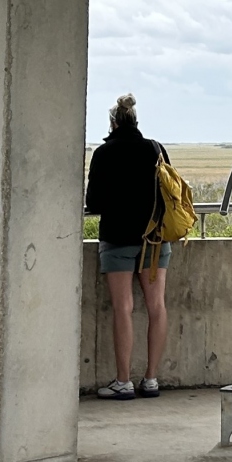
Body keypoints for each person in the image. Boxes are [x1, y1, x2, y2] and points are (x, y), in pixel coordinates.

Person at [85, 93, 171, 400]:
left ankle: (123, 382)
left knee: (123, 308)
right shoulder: (155, 148)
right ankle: (151, 379)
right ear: (135, 121)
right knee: (157, 306)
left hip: (118, 238)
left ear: (113, 123)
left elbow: (94, 202)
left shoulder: (103, 153)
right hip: (155, 239)